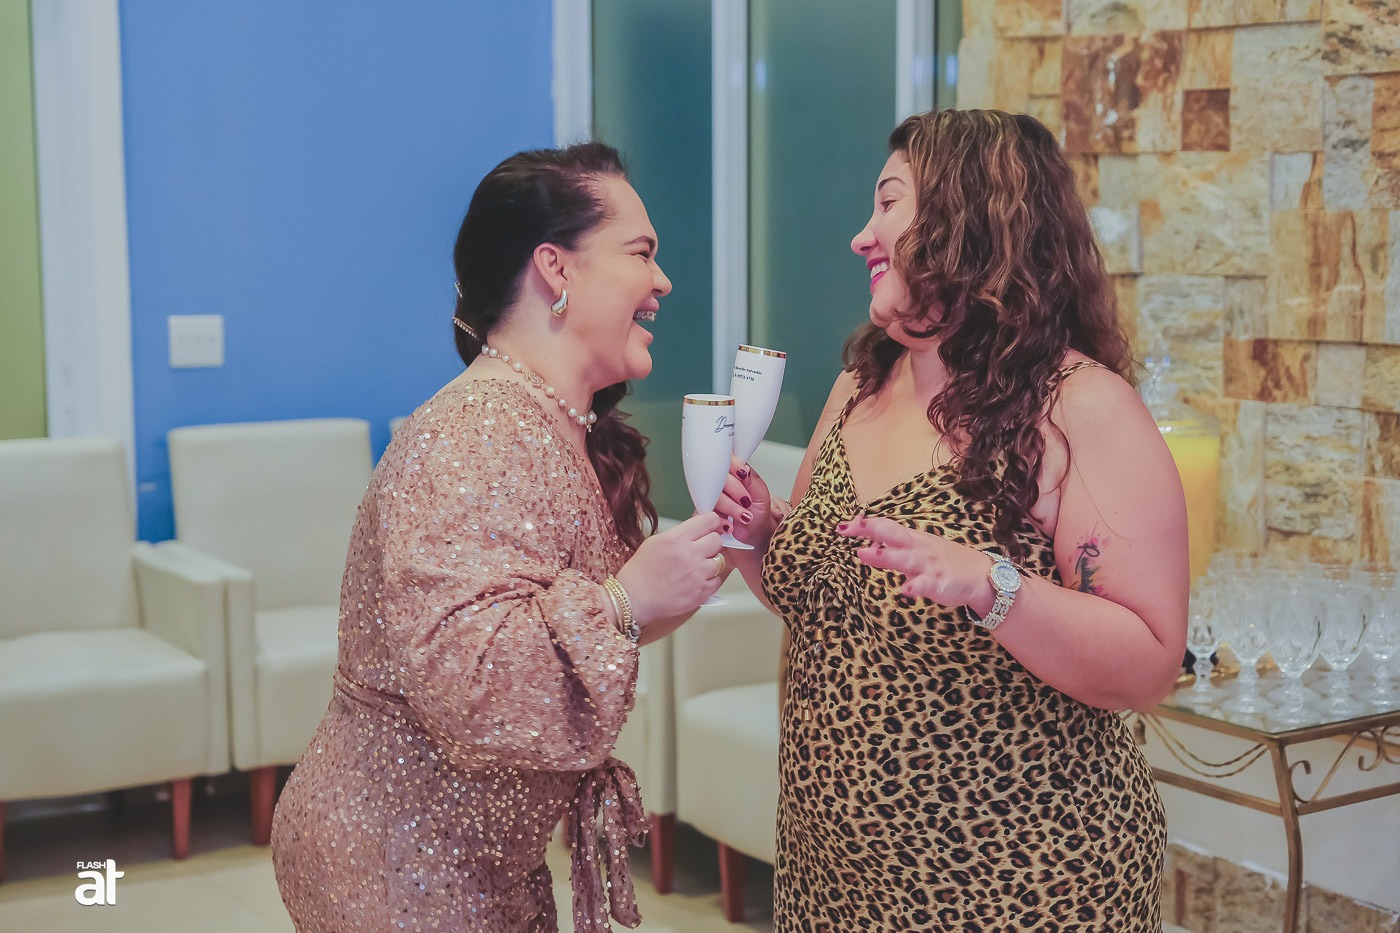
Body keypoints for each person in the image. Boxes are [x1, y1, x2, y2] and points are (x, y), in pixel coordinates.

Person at [721, 110, 1188, 930]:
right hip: (834, 876)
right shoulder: (860, 386)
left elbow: (1149, 661)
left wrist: (991, 584)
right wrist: (762, 537)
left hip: (1021, 884)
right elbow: (828, 610)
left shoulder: (1080, 406)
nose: (862, 236)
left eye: (888, 204)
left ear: (969, 221)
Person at [271, 143, 730, 933]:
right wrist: (626, 600)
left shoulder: (548, 422)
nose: (661, 282)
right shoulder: (478, 429)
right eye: (641, 253)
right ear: (556, 268)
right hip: (402, 861)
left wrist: (705, 559)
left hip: (470, 857)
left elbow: (576, 627)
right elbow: (473, 673)